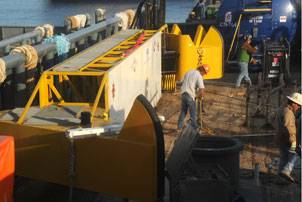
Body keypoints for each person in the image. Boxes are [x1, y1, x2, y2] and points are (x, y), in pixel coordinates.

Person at [277, 92, 302, 182]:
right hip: (287, 139)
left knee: (284, 158)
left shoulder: (283, 109)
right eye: (298, 105)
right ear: (294, 103)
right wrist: (294, 142)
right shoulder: (288, 113)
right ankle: (286, 172)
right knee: (294, 155)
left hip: (281, 139)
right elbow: (288, 127)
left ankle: (280, 178)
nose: (299, 107)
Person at [177, 64, 210, 131]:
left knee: (183, 111)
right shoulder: (199, 76)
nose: (204, 75)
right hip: (190, 95)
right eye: (204, 73)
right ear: (203, 71)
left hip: (183, 94)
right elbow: (202, 89)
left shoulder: (189, 71)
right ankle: (194, 129)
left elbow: (181, 81)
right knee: (193, 114)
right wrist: (200, 97)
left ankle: (179, 128)